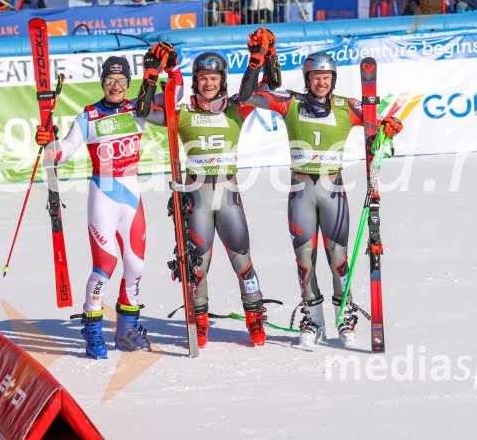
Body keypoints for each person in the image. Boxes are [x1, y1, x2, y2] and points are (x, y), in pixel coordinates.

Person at [238, 32, 403, 348]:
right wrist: (257, 61)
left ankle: (345, 318)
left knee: (338, 258)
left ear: (334, 79)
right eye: (315, 77)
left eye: (326, 77)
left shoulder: (345, 107)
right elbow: (247, 97)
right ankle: (313, 320)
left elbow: (379, 127)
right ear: (307, 78)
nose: (321, 83)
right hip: (300, 191)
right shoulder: (290, 102)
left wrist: (389, 128)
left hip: (333, 190)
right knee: (304, 260)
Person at [35, 47, 182, 359]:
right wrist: (48, 139)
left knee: (136, 265)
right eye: (110, 81)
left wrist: (173, 69)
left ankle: (126, 330)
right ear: (102, 83)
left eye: (121, 80)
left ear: (128, 83)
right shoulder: (89, 115)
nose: (115, 86)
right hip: (103, 195)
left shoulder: (137, 109)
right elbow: (59, 155)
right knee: (105, 266)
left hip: (131, 196)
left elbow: (174, 100)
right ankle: (92, 329)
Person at [151, 47, 268, 348]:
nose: (208, 84)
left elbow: (262, 88)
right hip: (197, 195)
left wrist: (260, 60)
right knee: (197, 265)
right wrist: (159, 73)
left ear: (223, 81)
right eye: (203, 78)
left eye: (214, 78)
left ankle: (254, 316)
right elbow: (146, 110)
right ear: (195, 81)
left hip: (228, 194)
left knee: (242, 259)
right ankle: (199, 321)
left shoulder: (236, 108)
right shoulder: (183, 111)